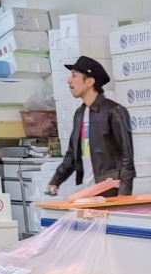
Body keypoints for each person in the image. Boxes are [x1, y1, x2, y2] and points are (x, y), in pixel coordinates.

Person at [46, 56, 135, 196]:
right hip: (89, 190)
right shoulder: (80, 114)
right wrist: (56, 180)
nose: (69, 81)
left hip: (110, 190)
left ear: (90, 82)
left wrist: (124, 194)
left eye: (74, 76)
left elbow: (126, 155)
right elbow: (72, 154)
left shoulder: (113, 111)